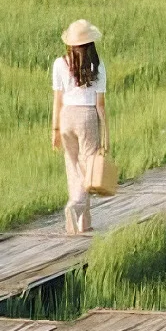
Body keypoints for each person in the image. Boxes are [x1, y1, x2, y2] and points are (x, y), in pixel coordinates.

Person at [52, 19, 109, 235]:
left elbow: (57, 99)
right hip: (87, 116)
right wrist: (106, 136)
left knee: (73, 166)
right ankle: (75, 207)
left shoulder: (59, 63)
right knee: (89, 168)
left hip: (66, 116)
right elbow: (100, 105)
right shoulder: (97, 66)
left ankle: (84, 222)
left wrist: (55, 130)